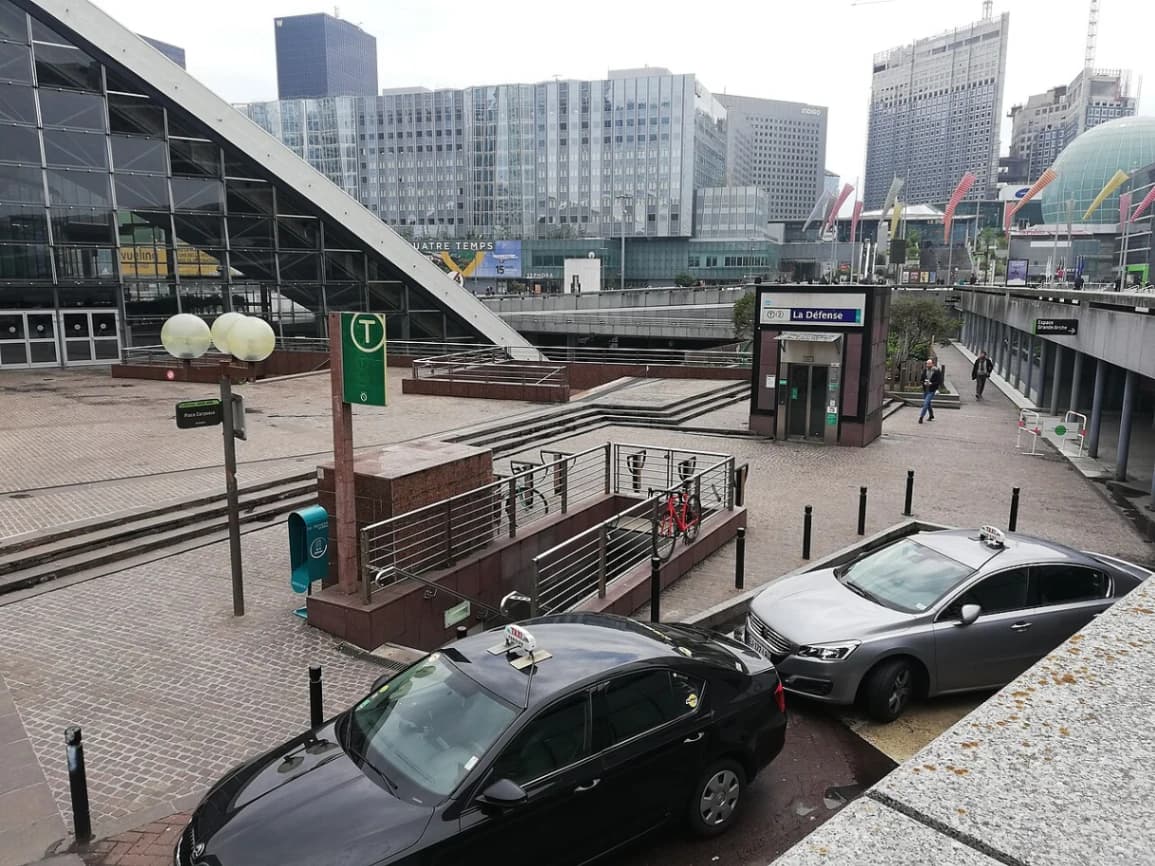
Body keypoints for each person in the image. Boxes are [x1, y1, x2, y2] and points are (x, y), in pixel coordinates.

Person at [918, 357, 941, 424]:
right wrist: (924, 383)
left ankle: (921, 417)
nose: (928, 365)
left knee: (925, 403)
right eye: (927, 364)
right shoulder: (925, 371)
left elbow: (939, 381)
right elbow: (921, 380)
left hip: (932, 390)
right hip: (925, 390)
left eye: (929, 364)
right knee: (928, 403)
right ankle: (931, 415)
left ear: (932, 364)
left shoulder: (936, 371)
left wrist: (932, 383)